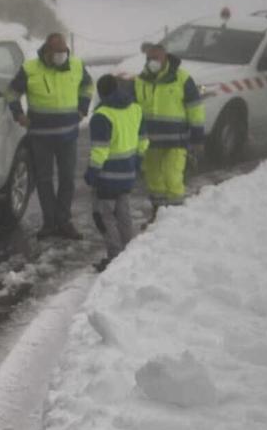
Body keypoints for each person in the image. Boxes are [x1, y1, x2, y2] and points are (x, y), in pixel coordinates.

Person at [7, 33, 91, 239]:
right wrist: (18, 114)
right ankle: (50, 222)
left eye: (64, 51)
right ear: (47, 51)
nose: (62, 55)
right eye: (57, 52)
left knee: (67, 179)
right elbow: (11, 92)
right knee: (44, 180)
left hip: (68, 136)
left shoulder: (77, 65)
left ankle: (64, 221)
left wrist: (82, 109)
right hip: (40, 136)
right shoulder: (30, 69)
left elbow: (88, 86)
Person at [132, 40, 205, 213]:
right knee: (154, 180)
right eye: (149, 58)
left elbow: (195, 109)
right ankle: (158, 215)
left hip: (176, 141)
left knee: (172, 177)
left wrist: (197, 137)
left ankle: (175, 218)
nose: (152, 61)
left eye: (156, 57)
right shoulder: (140, 80)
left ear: (165, 57)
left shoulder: (182, 78)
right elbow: (133, 110)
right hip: (150, 142)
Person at [84, 74, 146, 269]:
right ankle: (128, 251)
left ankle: (114, 256)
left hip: (107, 177)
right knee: (124, 214)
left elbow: (100, 150)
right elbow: (143, 139)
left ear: (101, 93)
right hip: (127, 174)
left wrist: (92, 173)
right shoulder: (135, 108)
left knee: (104, 217)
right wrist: (138, 160)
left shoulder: (102, 116)